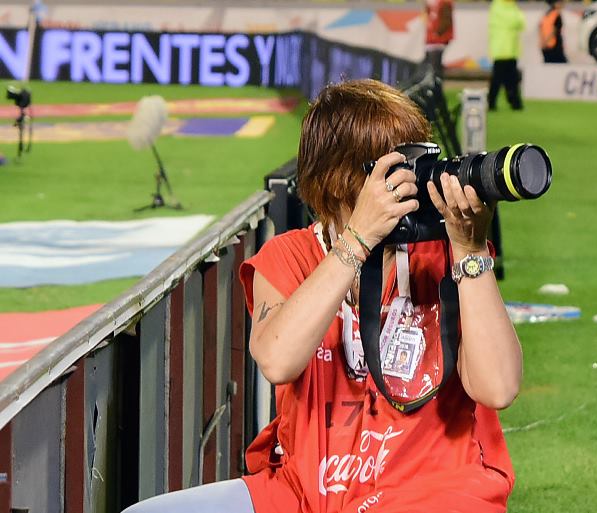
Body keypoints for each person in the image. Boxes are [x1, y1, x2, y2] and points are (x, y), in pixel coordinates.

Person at [123, 79, 523, 513]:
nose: (411, 182)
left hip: (433, 489)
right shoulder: (289, 256)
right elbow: (277, 360)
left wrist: (471, 250)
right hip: (305, 490)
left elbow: (498, 387)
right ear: (337, 182)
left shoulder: (443, 253)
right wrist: (358, 240)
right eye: (394, 169)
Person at [488, 0, 526, 111]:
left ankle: (514, 102)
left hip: (511, 49)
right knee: (498, 78)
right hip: (501, 49)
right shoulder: (497, 6)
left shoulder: (511, 6)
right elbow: (515, 21)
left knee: (512, 78)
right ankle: (492, 102)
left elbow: (521, 23)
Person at [424, 0, 455, 79]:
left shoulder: (445, 2)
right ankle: (433, 84)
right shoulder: (431, 2)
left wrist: (437, 33)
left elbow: (447, 19)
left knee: (435, 67)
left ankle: (436, 85)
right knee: (430, 67)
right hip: (431, 39)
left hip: (438, 40)